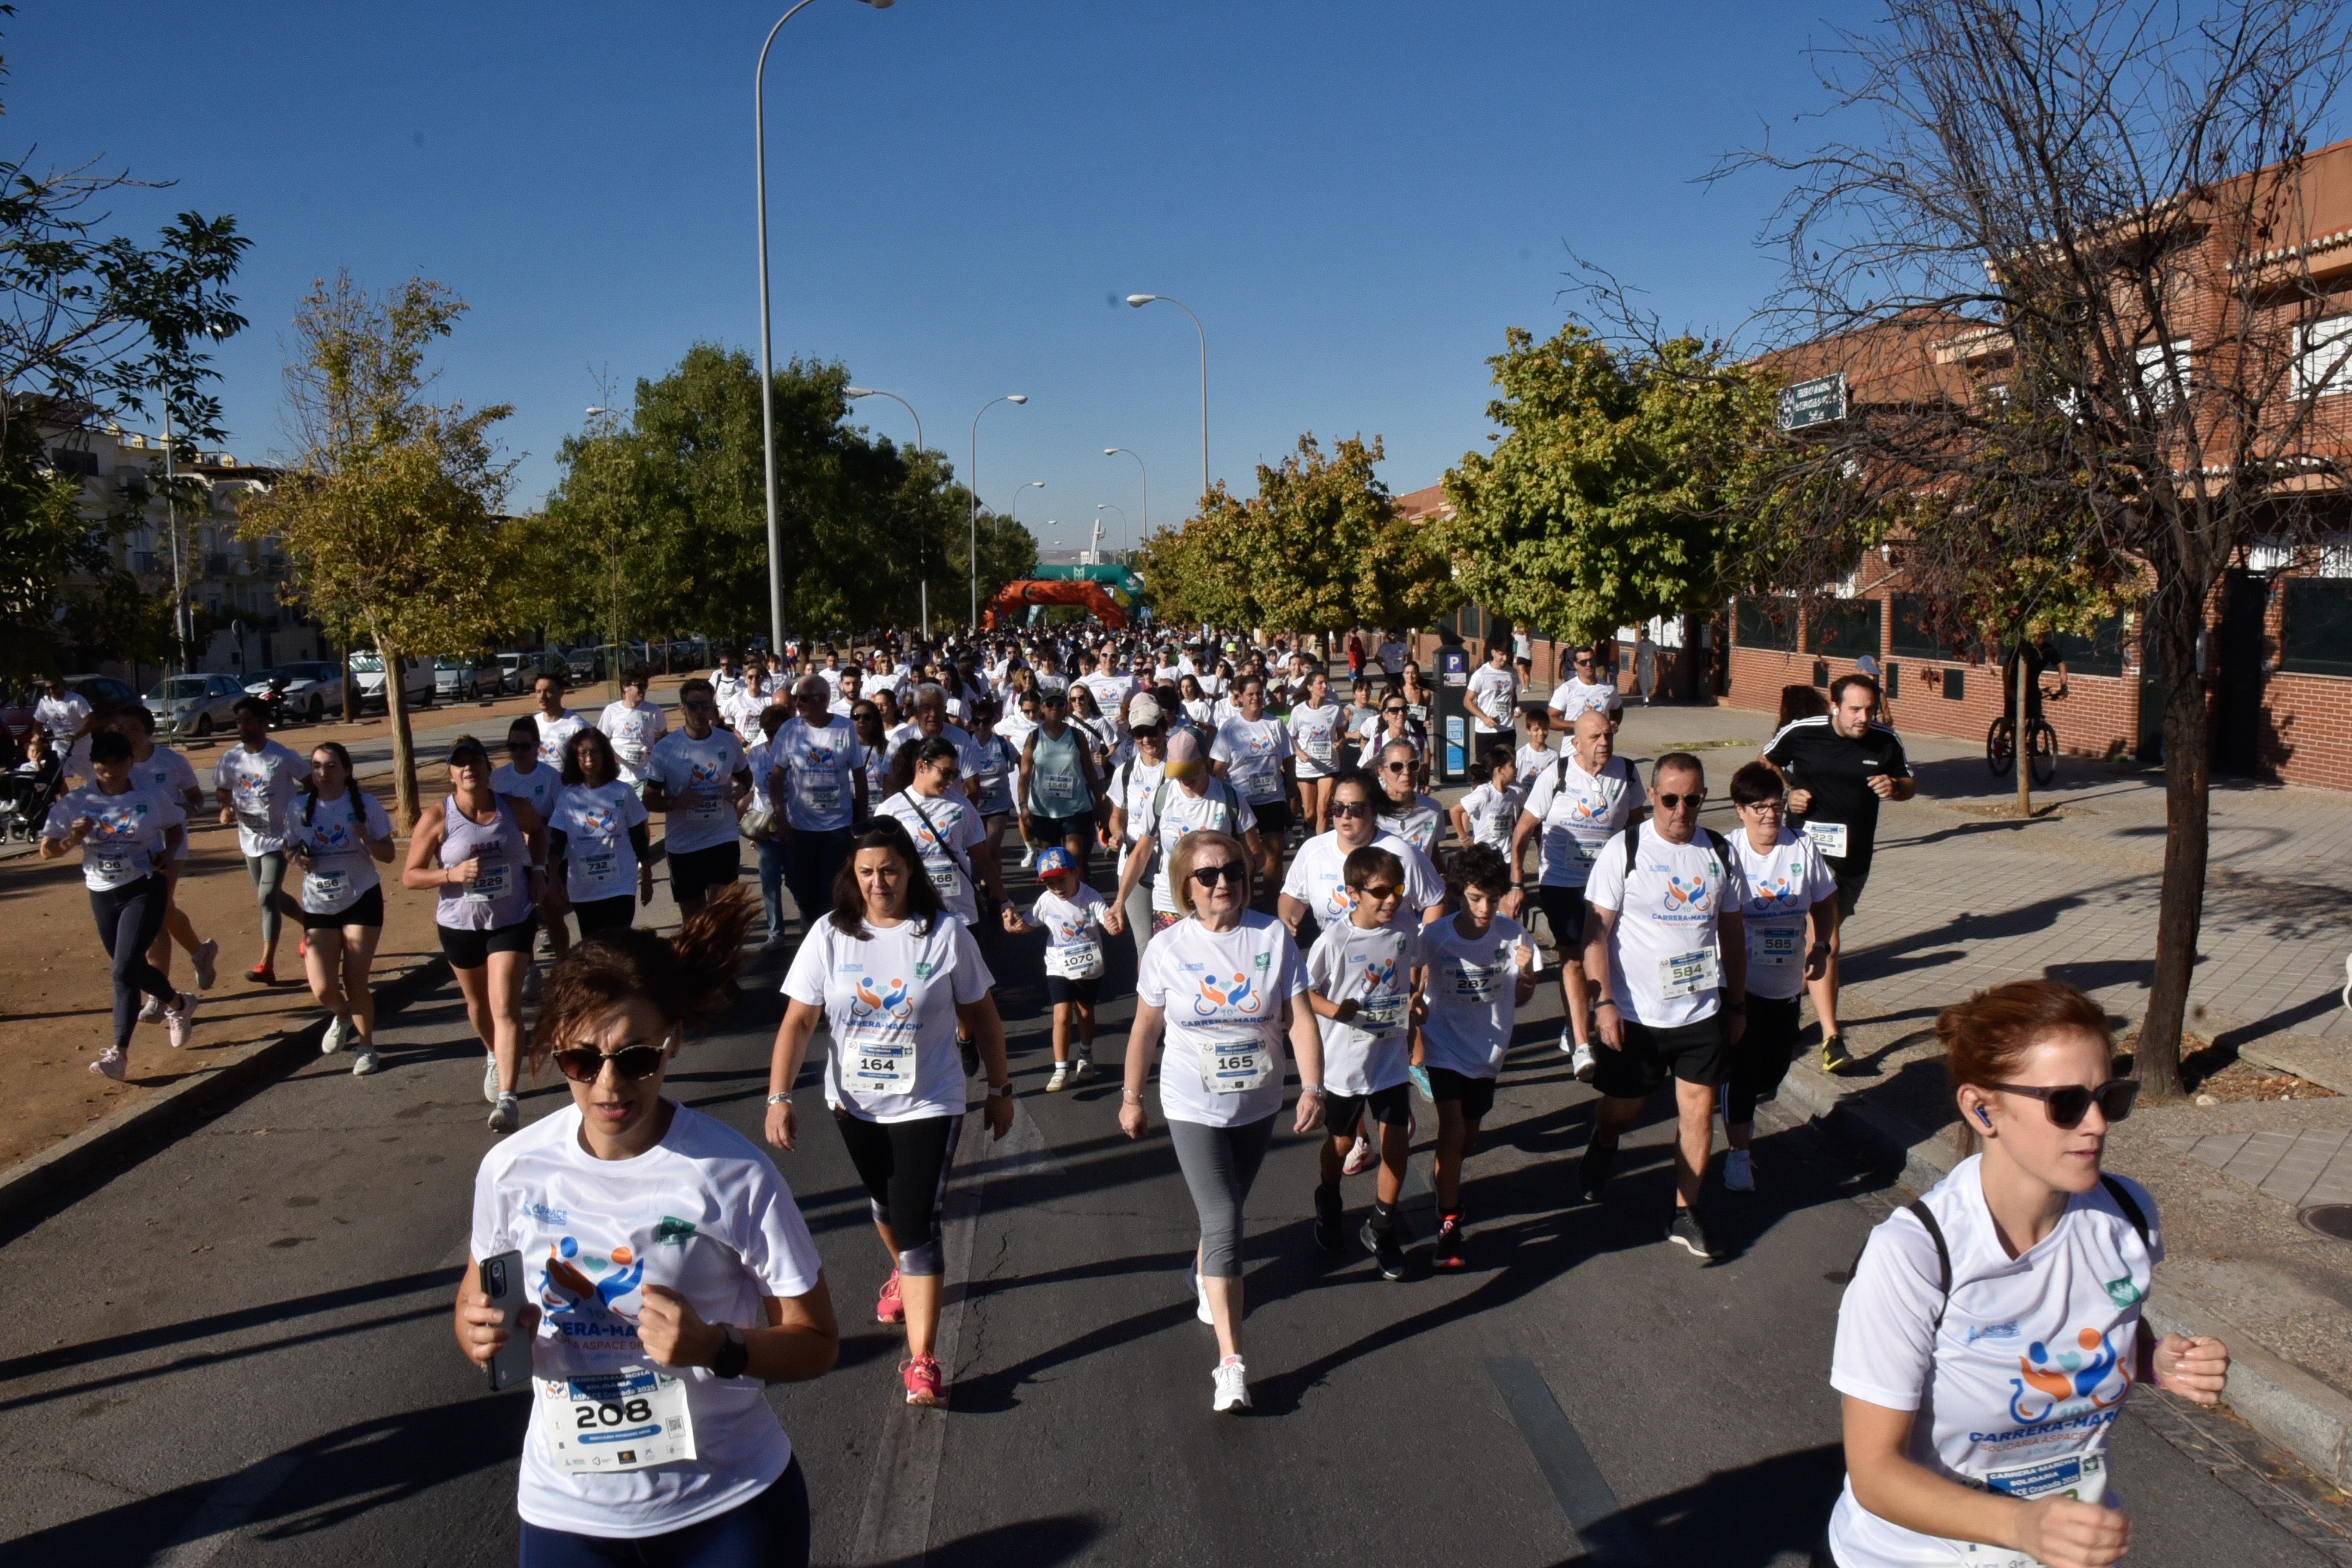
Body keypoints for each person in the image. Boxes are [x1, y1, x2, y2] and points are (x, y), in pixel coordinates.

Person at [455, 886, 837, 1567]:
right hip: (566, 1509)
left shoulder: (732, 1173)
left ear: (674, 1042)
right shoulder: (512, 1168)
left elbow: (817, 1341)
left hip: (726, 1504)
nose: (609, 1085)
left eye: (636, 1058)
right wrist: (478, 1331)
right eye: (581, 1060)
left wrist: (717, 1346)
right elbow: (474, 1295)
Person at [1827, 979, 2231, 1568]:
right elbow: (1875, 1473)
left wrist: (2157, 1360)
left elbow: (2101, 1326)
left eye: (2110, 1096)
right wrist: (2021, 1524)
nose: (2096, 1124)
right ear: (1982, 1107)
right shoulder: (1916, 1254)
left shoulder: (2127, 1214)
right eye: (2066, 1102)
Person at [767, 819, 1014, 1408]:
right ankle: (902, 1269)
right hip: (853, 1100)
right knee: (884, 1201)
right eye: (867, 872)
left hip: (929, 1097)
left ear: (910, 870)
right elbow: (800, 1021)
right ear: (853, 877)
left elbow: (982, 1015)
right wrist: (779, 1096)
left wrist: (1000, 1087)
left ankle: (923, 1358)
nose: (880, 882)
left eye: (891, 870)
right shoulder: (831, 934)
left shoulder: (945, 933)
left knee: (917, 1221)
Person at [1119, 829, 1324, 1413]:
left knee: (1227, 1207)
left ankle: (1207, 1268)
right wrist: (1132, 1095)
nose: (1222, 883)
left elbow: (1301, 1019)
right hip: (1191, 1102)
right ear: (1186, 886)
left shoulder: (1272, 937)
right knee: (1226, 1214)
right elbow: (1145, 1029)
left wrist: (1313, 1086)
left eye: (1231, 870)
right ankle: (1231, 1364)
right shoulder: (1168, 948)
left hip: (1258, 1102)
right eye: (1207, 875)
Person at [1579, 751, 1747, 1263]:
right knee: (1624, 1108)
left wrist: (1736, 1003)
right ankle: (1604, 1139)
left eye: (1692, 800)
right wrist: (1603, 1001)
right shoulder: (1624, 849)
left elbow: (1732, 935)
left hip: (1700, 1012)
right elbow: (1595, 935)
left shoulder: (1717, 851)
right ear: (1652, 795)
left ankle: (1685, 1211)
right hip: (1636, 1016)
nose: (1681, 810)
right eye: (1670, 799)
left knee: (1697, 1108)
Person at [1762, 672, 1915, 1076]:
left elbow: (1910, 782)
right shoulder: (1803, 732)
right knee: (1825, 939)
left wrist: (1894, 787)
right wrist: (1788, 792)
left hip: (1854, 860)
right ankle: (1832, 1037)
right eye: (1855, 710)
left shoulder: (1884, 740)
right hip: (1806, 852)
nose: (1864, 717)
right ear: (1835, 706)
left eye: (1870, 709)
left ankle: (1785, 1006)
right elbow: (1765, 762)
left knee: (1816, 940)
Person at [405, 736, 549, 1134]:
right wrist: (450, 874)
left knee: (505, 1005)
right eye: (460, 763)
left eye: (476, 762)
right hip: (460, 924)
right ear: (451, 773)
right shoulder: (438, 817)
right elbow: (410, 875)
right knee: (479, 1005)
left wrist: (538, 872)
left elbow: (539, 833)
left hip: (512, 918)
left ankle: (508, 1099)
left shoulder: (513, 807)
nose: (469, 769)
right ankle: (492, 1051)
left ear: (489, 769)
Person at [1302, 844, 1425, 1280]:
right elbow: (1301, 992)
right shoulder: (1336, 939)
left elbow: (1411, 978)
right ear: (1353, 892)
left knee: (1396, 1142)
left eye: (1396, 889)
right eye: (1379, 892)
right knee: (1339, 1146)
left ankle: (1382, 1225)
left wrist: (1415, 1005)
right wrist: (1335, 1010)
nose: (1391, 899)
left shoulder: (1403, 933)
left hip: (1389, 1059)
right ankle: (1329, 1197)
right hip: (1344, 1064)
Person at [41, 728, 193, 1076]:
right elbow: (47, 850)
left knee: (122, 970)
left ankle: (119, 1054)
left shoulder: (149, 797)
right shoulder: (76, 802)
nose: (109, 769)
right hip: (101, 890)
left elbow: (175, 824)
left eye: (117, 761)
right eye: (101, 762)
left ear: (129, 762)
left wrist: (169, 854)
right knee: (130, 968)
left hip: (144, 886)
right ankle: (179, 1003)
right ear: (93, 764)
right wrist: (73, 839)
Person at [1505, 707, 1647, 1077]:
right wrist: (1517, 881)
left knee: (1603, 956)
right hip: (1563, 882)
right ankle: (1582, 1044)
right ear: (1577, 743)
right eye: (1596, 737)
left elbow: (1638, 831)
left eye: (1608, 735)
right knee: (1572, 957)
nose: (1604, 743)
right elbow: (1522, 832)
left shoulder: (1627, 773)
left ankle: (1583, 1021)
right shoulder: (1558, 773)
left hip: (1609, 884)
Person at [1417, 844, 1540, 1270]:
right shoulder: (1435, 938)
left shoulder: (1513, 936)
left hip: (1487, 1053)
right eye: (1475, 898)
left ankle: (1444, 1182)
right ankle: (1449, 1222)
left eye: (1491, 897)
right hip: (1443, 1047)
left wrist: (1526, 974)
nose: (1485, 908)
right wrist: (1413, 1030)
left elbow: (1523, 997)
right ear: (1458, 894)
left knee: (1468, 1137)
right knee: (1452, 1133)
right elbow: (1413, 987)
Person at [1723, 761, 1839, 1192]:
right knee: (1743, 1070)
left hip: (1788, 983)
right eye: (1759, 808)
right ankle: (1738, 1155)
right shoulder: (1729, 852)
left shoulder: (1801, 847)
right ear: (1740, 810)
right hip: (1740, 982)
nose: (1770, 816)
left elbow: (1826, 902)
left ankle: (1744, 1116)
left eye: (1776, 806)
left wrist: (1821, 944)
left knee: (1772, 1071)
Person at [284, 740, 397, 1075]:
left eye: (331, 766)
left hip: (361, 896)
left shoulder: (364, 804)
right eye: (317, 766)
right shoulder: (297, 807)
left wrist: (367, 839)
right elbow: (289, 849)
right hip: (319, 902)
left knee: (355, 978)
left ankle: (367, 1047)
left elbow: (388, 855)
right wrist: (298, 859)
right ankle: (343, 1015)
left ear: (347, 771)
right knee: (322, 988)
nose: (323, 773)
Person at [108, 704, 219, 1013]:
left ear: (148, 732)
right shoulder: (116, 765)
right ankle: (200, 953)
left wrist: (189, 810)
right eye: (120, 730)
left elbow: (196, 796)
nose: (126, 736)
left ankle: (158, 996)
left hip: (171, 844)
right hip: (133, 849)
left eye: (133, 730)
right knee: (165, 911)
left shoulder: (171, 762)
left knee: (155, 915)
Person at [1113, 729, 1266, 937]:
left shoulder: (1229, 798)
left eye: (1190, 770)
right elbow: (1140, 854)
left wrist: (1228, 878)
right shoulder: (1161, 798)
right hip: (1170, 904)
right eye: (1178, 773)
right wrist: (1120, 901)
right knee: (1165, 965)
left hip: (1218, 905)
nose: (1184, 779)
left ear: (1204, 761)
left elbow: (1258, 855)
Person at [1002, 845, 1123, 1090]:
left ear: (1075, 873)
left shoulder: (1090, 896)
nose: (1057, 888)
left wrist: (1111, 924)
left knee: (1086, 1013)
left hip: (1089, 965)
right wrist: (1016, 926)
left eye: (1061, 880)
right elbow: (1029, 924)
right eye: (1050, 883)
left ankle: (1086, 1054)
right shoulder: (1046, 902)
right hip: (1058, 963)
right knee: (1062, 1015)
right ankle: (1060, 1069)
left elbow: (1105, 917)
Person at [768, 674, 870, 946]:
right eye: (796, 698)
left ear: (823, 700)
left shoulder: (845, 728)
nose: (798, 703)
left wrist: (861, 822)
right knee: (802, 889)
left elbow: (859, 777)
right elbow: (776, 778)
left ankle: (829, 943)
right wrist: (782, 819)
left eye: (804, 698)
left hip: (837, 826)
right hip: (801, 827)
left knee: (831, 890)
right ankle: (811, 925)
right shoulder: (790, 730)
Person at [213, 697, 305, 985]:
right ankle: (309, 924)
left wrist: (299, 815)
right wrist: (226, 808)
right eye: (239, 721)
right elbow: (222, 790)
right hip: (250, 838)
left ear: (265, 723)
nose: (242, 727)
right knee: (273, 896)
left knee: (266, 897)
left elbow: (311, 783)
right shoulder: (231, 758)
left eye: (249, 721)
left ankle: (267, 964)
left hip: (280, 840)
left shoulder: (282, 756)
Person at [645, 678, 753, 920]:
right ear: (682, 708)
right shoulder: (666, 749)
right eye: (693, 706)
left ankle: (724, 958)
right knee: (694, 922)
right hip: (684, 845)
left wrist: (742, 788)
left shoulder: (727, 741)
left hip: (721, 838)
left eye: (706, 705)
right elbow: (649, 800)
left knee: (721, 915)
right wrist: (676, 802)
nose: (700, 712)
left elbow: (746, 775)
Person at [546, 727, 655, 942]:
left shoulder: (623, 792)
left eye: (595, 752)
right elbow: (557, 841)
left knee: (619, 942)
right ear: (575, 759)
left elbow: (639, 837)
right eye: (583, 753)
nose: (589, 758)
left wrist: (648, 876)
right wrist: (554, 877)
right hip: (584, 886)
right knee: (592, 945)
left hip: (620, 884)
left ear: (605, 755)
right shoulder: (568, 796)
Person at [495, 715, 569, 967]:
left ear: (537, 746)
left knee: (553, 917)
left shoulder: (550, 777)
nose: (518, 752)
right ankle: (528, 972)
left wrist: (537, 820)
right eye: (512, 747)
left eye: (524, 746)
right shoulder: (498, 779)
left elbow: (563, 819)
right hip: (515, 859)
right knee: (520, 920)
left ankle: (563, 966)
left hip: (546, 856)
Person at [1018, 685, 1107, 886]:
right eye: (1050, 703)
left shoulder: (1077, 736)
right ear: (1042, 707)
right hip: (1044, 810)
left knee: (1074, 861)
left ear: (1066, 707)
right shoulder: (1034, 738)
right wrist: (1023, 806)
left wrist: (1099, 803)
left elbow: (1089, 771)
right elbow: (1024, 775)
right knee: (1052, 864)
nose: (1055, 707)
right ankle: (1057, 911)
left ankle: (1083, 907)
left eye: (1060, 703)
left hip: (1076, 808)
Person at [1105, 696, 1169, 967]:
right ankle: (1148, 1008)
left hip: (1171, 865)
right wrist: (1117, 834)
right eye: (1138, 734)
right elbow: (1116, 815)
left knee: (1174, 941)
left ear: (1163, 728)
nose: (1146, 740)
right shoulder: (1125, 772)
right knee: (1145, 943)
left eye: (1151, 731)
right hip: (1134, 864)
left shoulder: (1180, 768)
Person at [1286, 668, 1345, 837]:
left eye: (1326, 683)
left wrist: (1340, 742)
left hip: (1329, 766)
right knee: (1310, 813)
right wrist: (1298, 752)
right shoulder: (1299, 711)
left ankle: (1321, 844)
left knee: (1324, 808)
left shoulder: (1334, 709)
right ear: (1310, 687)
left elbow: (1341, 733)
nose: (1325, 686)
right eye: (1320, 683)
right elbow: (1290, 736)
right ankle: (1310, 827)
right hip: (1306, 767)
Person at [598, 666, 668, 795]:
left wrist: (655, 749)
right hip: (619, 776)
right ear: (626, 688)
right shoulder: (611, 711)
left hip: (645, 775)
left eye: (645, 686)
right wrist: (613, 759)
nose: (644, 690)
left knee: (641, 814)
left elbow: (665, 736)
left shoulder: (653, 710)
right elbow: (601, 740)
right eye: (640, 686)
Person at [1373, 740, 1446, 859]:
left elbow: (1433, 853)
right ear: (1382, 772)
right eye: (1397, 767)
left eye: (1413, 766)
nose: (1406, 773)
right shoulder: (1370, 811)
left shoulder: (1433, 809)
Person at [1450, 743, 1520, 853]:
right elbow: (1455, 811)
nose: (1516, 770)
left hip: (1506, 855)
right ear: (1500, 770)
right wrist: (1464, 838)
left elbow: (1511, 821)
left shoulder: (1513, 795)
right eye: (1512, 766)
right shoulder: (1484, 794)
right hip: (1484, 855)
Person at [1548, 643, 1622, 728]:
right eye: (1583, 662)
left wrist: (1613, 725)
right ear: (1576, 665)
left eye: (1592, 660)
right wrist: (1578, 725)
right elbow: (1550, 719)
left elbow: (1617, 710)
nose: (1589, 664)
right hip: (1574, 740)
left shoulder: (1609, 689)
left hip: (1601, 741)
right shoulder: (1566, 689)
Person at [1465, 640, 1519, 747]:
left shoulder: (1512, 672)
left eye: (1508, 655)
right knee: (1486, 764)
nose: (1505, 658)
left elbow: (1513, 694)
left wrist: (1515, 708)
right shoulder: (1480, 674)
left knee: (1509, 763)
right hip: (1486, 731)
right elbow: (1467, 701)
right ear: (1493, 653)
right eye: (1502, 654)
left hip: (1508, 729)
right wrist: (1484, 718)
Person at [533, 673, 591, 768]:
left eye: (549, 691)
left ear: (561, 693)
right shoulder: (533, 724)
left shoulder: (577, 726)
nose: (542, 696)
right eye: (538, 692)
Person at [1634, 624, 1659, 706]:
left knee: (1651, 683)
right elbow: (1636, 655)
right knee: (1643, 682)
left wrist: (1658, 664)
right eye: (1644, 635)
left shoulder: (1653, 644)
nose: (1645, 636)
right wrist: (1633, 667)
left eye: (1647, 635)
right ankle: (1646, 700)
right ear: (1642, 636)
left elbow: (1656, 654)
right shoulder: (1639, 645)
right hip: (1642, 666)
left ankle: (1647, 694)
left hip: (1650, 666)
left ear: (1649, 635)